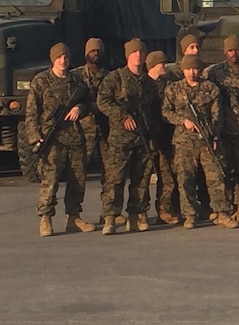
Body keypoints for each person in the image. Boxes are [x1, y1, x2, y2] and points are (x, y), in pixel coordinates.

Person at [163, 55, 238, 229]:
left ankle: (222, 213)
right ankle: (189, 215)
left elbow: (217, 115)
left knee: (216, 178)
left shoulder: (210, 88)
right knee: (185, 179)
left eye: (195, 68)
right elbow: (165, 112)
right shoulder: (173, 89)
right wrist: (183, 121)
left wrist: (214, 135)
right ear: (183, 70)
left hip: (207, 140)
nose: (192, 72)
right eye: (188, 69)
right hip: (184, 141)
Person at [27, 43, 95, 236]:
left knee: (77, 179)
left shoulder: (76, 80)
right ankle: (46, 218)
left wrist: (79, 108)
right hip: (51, 138)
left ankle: (74, 217)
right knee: (50, 180)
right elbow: (32, 113)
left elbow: (89, 102)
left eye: (65, 57)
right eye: (59, 57)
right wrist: (35, 137)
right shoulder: (41, 81)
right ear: (52, 59)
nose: (63, 60)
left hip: (74, 137)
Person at [97, 39, 157, 235]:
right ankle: (110, 218)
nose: (138, 56)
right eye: (134, 53)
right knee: (115, 179)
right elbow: (103, 101)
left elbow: (154, 108)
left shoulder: (149, 83)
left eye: (141, 52)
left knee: (141, 179)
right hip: (120, 138)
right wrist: (122, 116)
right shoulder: (116, 78)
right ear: (127, 56)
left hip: (143, 138)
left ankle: (137, 213)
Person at [205, 36, 239, 225]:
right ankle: (224, 210)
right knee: (223, 172)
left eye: (237, 50)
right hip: (223, 130)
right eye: (230, 50)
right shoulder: (215, 73)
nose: (234, 54)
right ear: (225, 52)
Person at [145, 51, 179, 225]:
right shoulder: (143, 84)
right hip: (146, 136)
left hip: (166, 135)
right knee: (142, 178)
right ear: (152, 66)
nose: (165, 66)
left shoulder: (170, 85)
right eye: (161, 63)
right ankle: (139, 212)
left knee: (167, 176)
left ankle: (165, 210)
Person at [72, 38, 109, 169]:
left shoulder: (110, 77)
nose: (96, 53)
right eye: (92, 51)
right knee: (78, 171)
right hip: (82, 129)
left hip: (106, 127)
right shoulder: (76, 76)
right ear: (86, 53)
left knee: (109, 171)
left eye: (99, 51)